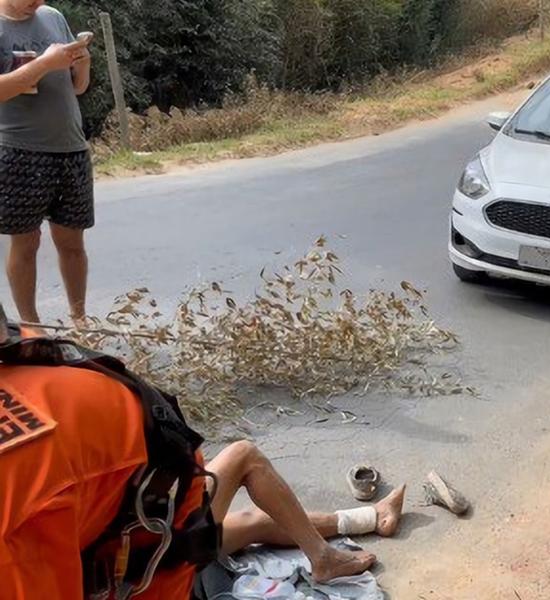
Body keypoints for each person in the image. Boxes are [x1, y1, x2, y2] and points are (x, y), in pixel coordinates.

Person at [0, 301, 405, 599]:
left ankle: (369, 518)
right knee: (243, 460)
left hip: (123, 524)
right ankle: (325, 555)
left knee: (239, 527)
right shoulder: (21, 506)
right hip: (133, 542)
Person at [0, 0, 94, 325]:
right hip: (19, 151)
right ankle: (31, 325)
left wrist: (82, 62)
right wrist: (44, 63)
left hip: (71, 147)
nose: (38, 2)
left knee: (72, 242)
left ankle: (80, 318)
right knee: (26, 241)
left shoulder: (52, 16)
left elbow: (77, 86)